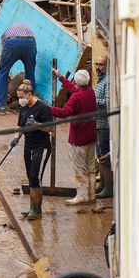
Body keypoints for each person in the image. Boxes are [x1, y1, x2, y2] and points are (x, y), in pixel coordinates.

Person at [49, 68, 98, 206]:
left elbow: (65, 112)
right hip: (91, 135)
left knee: (80, 167)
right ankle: (91, 195)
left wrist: (47, 108)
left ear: (77, 82)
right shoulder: (90, 92)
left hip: (79, 137)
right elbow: (74, 90)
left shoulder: (77, 97)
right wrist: (61, 78)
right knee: (90, 166)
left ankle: (82, 195)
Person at [16, 80, 53, 221]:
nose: (20, 100)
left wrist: (37, 125)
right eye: (18, 97)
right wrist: (15, 138)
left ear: (29, 95)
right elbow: (19, 126)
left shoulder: (42, 108)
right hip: (28, 145)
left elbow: (50, 128)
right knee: (31, 177)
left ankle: (35, 208)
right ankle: (34, 207)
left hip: (41, 146)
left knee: (35, 177)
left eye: (21, 97)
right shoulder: (23, 109)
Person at [0, 22, 36, 112]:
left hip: (11, 43)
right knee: (30, 72)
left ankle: (1, 106)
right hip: (30, 42)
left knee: (3, 73)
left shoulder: (5, 34)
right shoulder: (28, 29)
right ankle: (31, 103)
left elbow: (3, 46)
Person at [94, 55, 112, 200]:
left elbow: (108, 103)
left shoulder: (109, 81)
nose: (98, 67)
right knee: (100, 156)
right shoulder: (101, 81)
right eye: (96, 64)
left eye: (101, 65)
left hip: (105, 124)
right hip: (97, 123)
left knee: (105, 156)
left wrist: (94, 101)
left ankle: (109, 187)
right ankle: (103, 184)